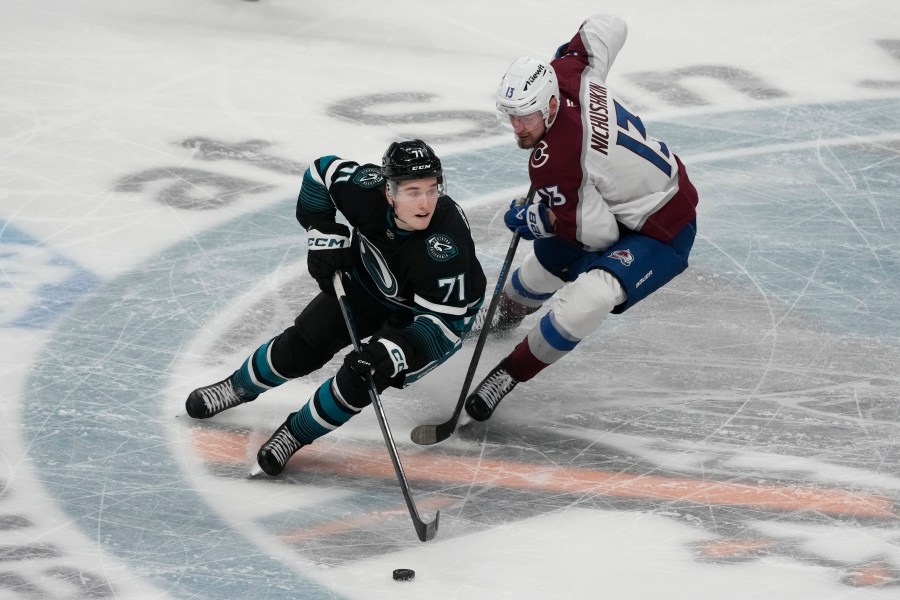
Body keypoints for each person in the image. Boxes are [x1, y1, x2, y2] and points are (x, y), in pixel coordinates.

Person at [186, 140, 486, 475]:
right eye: (412, 191)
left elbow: (442, 326)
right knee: (305, 342)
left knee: (359, 378)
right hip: (369, 284)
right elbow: (320, 172)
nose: (425, 202)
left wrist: (389, 351)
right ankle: (237, 387)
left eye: (432, 190)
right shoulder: (365, 189)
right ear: (388, 191)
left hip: (426, 319)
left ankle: (294, 434)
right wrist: (320, 229)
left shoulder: (444, 244)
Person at [464, 14, 699, 422]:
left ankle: (509, 373)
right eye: (512, 115)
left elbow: (597, 234)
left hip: (663, 228)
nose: (518, 128)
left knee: (588, 301)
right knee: (544, 264)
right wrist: (566, 58)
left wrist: (538, 218)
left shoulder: (559, 162)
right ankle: (503, 315)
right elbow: (609, 25)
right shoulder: (570, 72)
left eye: (527, 116)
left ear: (552, 104)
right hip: (616, 194)